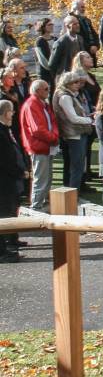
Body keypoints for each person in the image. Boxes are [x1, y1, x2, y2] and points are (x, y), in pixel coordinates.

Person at [20, 80, 58, 212]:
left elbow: (52, 122)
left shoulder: (43, 104)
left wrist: (54, 136)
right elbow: (37, 130)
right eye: (46, 89)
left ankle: (42, 205)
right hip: (39, 147)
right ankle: (36, 208)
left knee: (46, 178)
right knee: (41, 179)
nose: (49, 91)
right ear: (37, 91)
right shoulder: (32, 104)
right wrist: (53, 138)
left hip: (47, 146)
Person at [53, 70, 94, 192]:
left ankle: (72, 193)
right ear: (67, 83)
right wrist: (90, 120)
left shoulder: (69, 95)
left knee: (75, 166)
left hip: (75, 133)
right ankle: (73, 194)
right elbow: (73, 118)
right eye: (75, 82)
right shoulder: (65, 96)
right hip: (74, 135)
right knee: (77, 166)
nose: (78, 84)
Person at [0, 100, 22, 262]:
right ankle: (3, 251)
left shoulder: (5, 130)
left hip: (8, 180)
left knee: (8, 211)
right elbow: (5, 159)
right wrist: (18, 172)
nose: (13, 114)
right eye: (11, 111)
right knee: (3, 214)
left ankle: (8, 244)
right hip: (4, 181)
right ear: (5, 112)